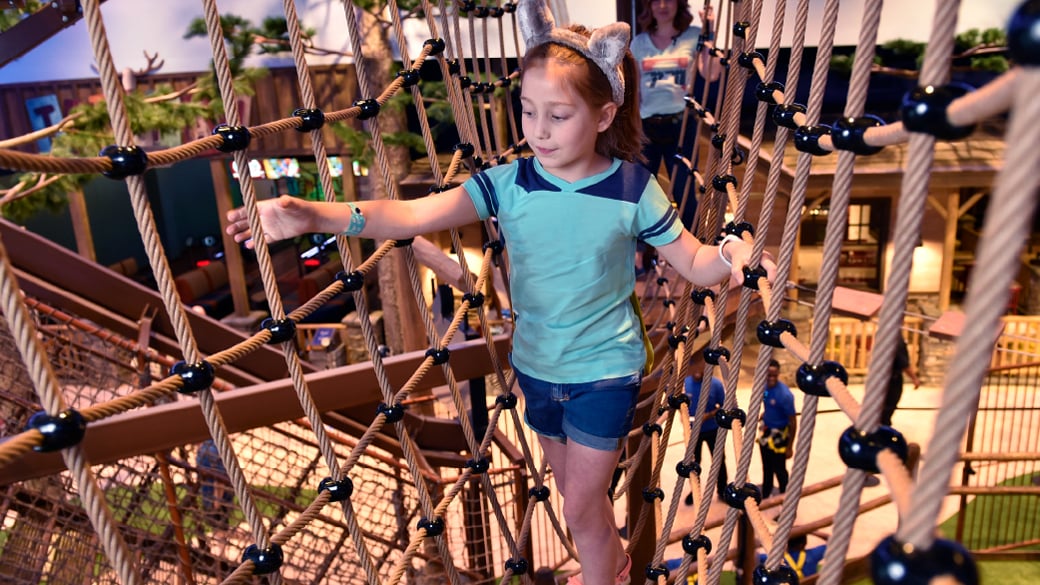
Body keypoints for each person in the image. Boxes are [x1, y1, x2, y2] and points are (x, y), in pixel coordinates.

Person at [225, 1, 775, 582]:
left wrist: (730, 255)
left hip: (604, 372)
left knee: (581, 508)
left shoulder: (634, 188)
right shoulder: (507, 183)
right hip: (535, 369)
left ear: (605, 114)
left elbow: (692, 261)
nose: (538, 130)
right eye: (528, 110)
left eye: (558, 115)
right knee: (580, 512)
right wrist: (315, 215)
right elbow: (410, 214)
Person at [631, 0, 720, 228]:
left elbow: (711, 73)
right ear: (648, 6)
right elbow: (635, 90)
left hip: (682, 125)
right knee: (639, 192)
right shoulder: (639, 43)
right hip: (646, 126)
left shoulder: (693, 35)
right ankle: (641, 251)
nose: (662, 5)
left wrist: (710, 31)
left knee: (685, 192)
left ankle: (691, 253)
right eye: (656, 1)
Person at [682, 356, 727, 505]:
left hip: (713, 429)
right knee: (694, 462)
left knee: (719, 460)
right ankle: (695, 491)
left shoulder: (715, 384)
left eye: (702, 368)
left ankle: (722, 490)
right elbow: (680, 405)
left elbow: (724, 405)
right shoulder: (685, 384)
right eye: (695, 368)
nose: (698, 372)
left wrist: (709, 415)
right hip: (693, 431)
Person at [759, 359, 796, 499]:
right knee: (766, 466)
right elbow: (767, 401)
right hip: (767, 431)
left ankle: (784, 497)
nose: (771, 378)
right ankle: (766, 492)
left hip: (780, 433)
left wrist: (790, 446)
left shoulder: (785, 395)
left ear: (778, 374)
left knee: (779, 469)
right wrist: (766, 414)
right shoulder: (764, 388)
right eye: (768, 375)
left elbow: (793, 422)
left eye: (774, 375)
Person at [880, 335, 921, 427]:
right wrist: (914, 378)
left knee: (884, 409)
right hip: (891, 380)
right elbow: (903, 363)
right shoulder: (896, 340)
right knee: (887, 409)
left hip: (883, 378)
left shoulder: (886, 336)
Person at [756, 533, 826, 579]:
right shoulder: (813, 554)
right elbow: (832, 541)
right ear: (804, 543)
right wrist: (812, 531)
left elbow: (753, 556)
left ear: (786, 544)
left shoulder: (776, 558)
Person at [196, 439, 233, 526]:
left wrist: (216, 504)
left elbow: (220, 478)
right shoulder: (206, 446)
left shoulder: (210, 449)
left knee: (219, 530)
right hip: (212, 496)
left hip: (217, 497)